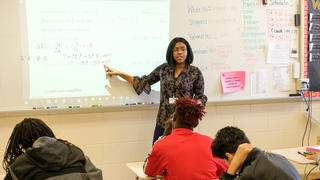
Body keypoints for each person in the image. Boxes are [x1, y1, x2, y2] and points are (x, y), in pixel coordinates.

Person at [104, 37, 207, 144]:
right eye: (176, 49)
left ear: (188, 51)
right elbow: (144, 81)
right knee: (158, 151)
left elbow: (200, 96)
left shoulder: (195, 72)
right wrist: (121, 74)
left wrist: (196, 103)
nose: (179, 52)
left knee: (181, 155)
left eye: (183, 49)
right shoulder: (164, 69)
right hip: (163, 120)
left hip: (183, 123)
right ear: (171, 52)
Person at [143, 96, 228, 180]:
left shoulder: (161, 145)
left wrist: (165, 136)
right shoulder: (210, 143)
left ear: (174, 118)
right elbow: (224, 170)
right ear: (196, 124)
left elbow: (149, 171)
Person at [2, 118, 102, 180]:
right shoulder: (75, 152)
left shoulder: (20, 166)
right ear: (48, 133)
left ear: (21, 143)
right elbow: (96, 176)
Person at [211, 126, 302, 180]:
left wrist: (232, 169)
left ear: (229, 156)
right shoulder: (277, 157)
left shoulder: (250, 173)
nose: (225, 165)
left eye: (224, 161)